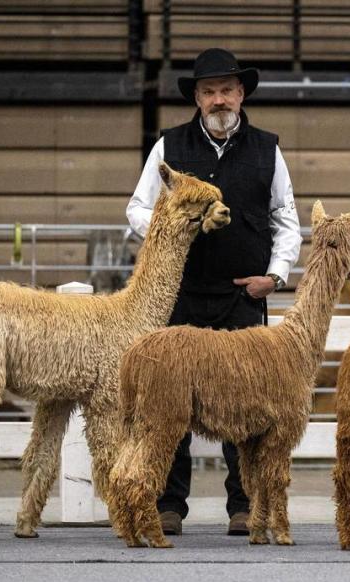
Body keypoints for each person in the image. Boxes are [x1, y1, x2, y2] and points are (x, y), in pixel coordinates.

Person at [126, 48, 302, 536]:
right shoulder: (169, 147)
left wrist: (276, 275)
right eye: (209, 91)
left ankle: (243, 507)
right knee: (169, 403)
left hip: (244, 296)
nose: (218, 99)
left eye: (227, 90)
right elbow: (138, 209)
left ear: (241, 94)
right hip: (181, 294)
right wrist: (171, 230)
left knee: (246, 404)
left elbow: (286, 219)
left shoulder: (268, 149)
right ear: (197, 98)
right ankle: (168, 504)